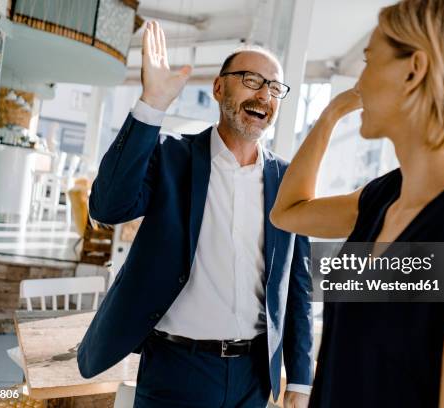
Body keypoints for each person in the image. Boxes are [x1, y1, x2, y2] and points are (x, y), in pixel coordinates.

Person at [270, 0, 444, 407]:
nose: (360, 81)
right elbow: (288, 212)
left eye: (369, 59)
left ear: (414, 70)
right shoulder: (386, 197)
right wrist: (330, 114)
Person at [76, 21, 314, 408]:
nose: (264, 95)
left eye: (274, 87)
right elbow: (108, 207)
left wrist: (301, 381)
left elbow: (297, 285)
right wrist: (152, 104)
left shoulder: (288, 180)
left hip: (252, 377)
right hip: (175, 370)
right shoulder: (172, 157)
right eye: (251, 80)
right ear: (219, 88)